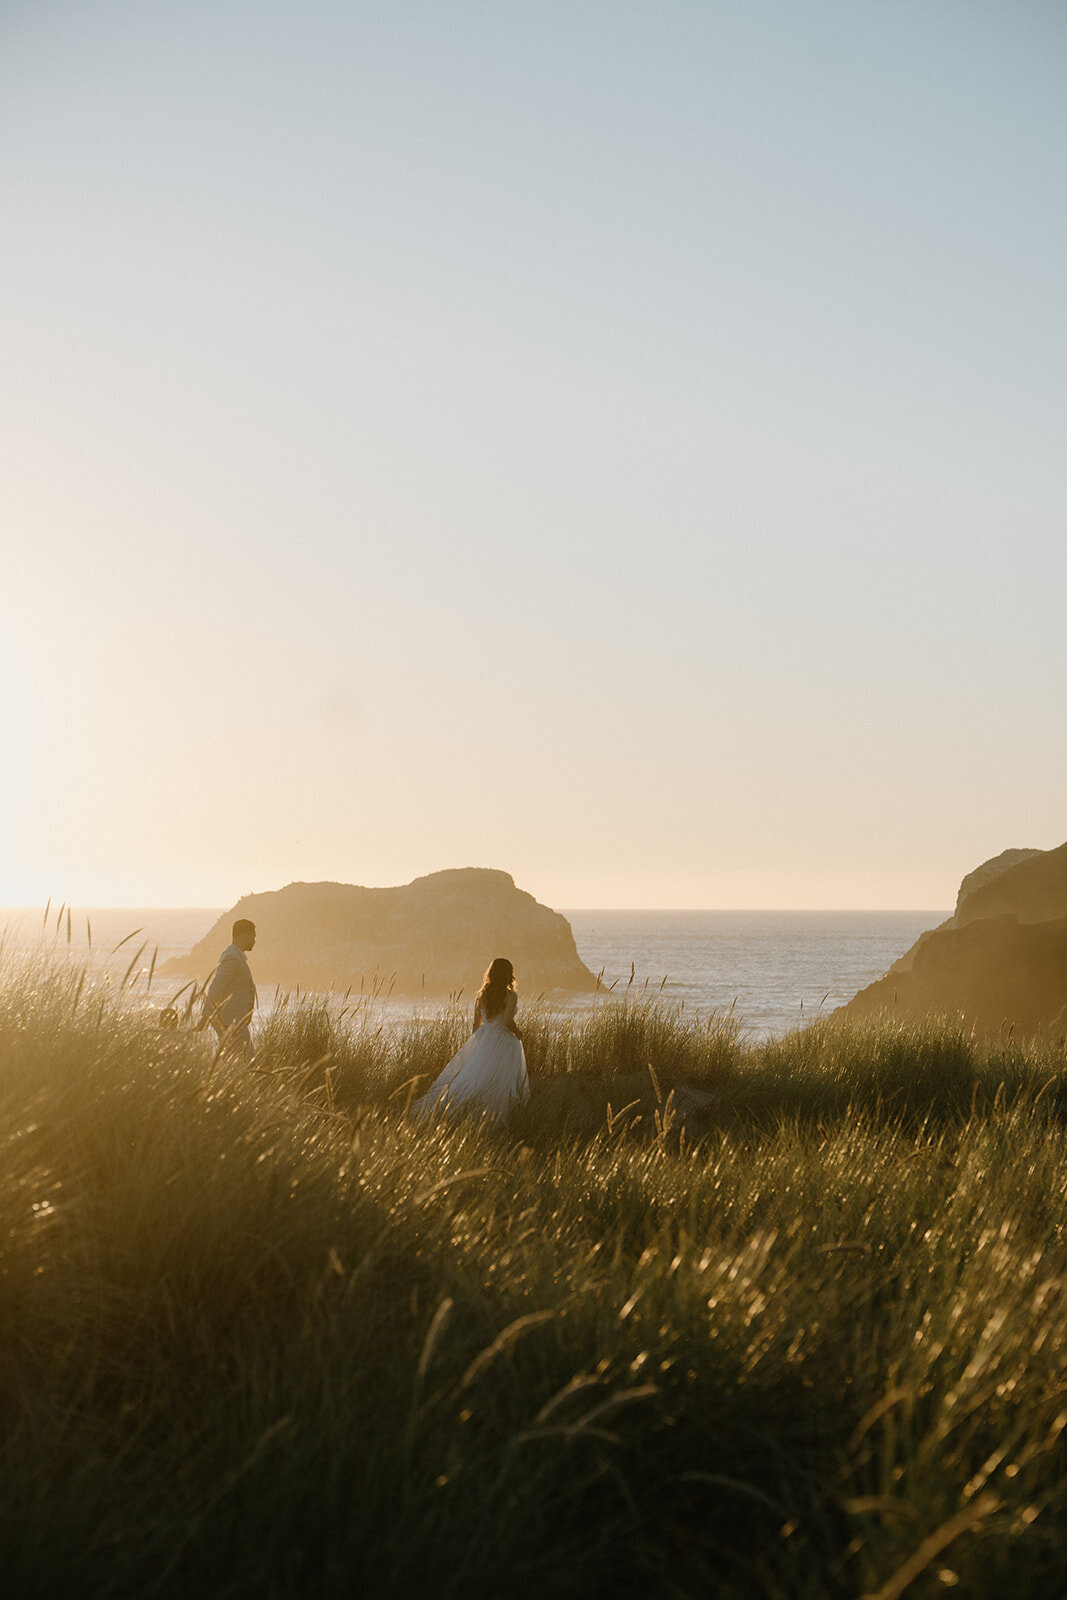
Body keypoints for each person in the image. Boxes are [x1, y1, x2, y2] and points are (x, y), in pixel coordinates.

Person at [412, 957, 529, 1123]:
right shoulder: (510, 996)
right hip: (503, 1042)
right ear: (508, 975)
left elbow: (476, 1024)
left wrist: (479, 1044)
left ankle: (456, 1108)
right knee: (500, 1080)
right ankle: (496, 1116)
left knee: (476, 1076)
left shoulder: (482, 995)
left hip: (485, 1039)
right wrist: (518, 1033)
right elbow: (506, 1021)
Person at [196, 918, 258, 1058]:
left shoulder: (237, 957)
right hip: (230, 1022)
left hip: (234, 1021)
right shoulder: (232, 958)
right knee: (246, 1060)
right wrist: (205, 1017)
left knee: (236, 1061)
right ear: (243, 935)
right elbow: (216, 987)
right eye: (252, 936)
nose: (254, 940)